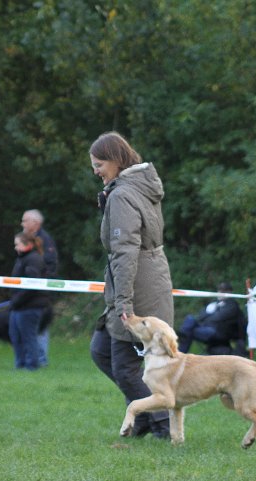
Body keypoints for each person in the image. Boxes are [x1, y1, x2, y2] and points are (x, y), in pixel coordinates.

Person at [88, 131, 172, 439]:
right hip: (148, 277)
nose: (96, 172)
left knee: (125, 367)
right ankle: (145, 417)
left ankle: (162, 423)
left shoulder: (123, 194)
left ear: (116, 160)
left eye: (99, 165)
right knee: (101, 351)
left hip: (138, 287)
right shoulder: (134, 188)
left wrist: (124, 303)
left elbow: (125, 252)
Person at [9, 232, 51, 370]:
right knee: (16, 336)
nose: (15, 247)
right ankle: (20, 364)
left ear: (27, 244)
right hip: (19, 306)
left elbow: (31, 285)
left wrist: (17, 300)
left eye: (17, 244)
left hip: (31, 306)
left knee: (28, 337)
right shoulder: (21, 259)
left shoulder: (33, 259)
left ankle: (32, 365)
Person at [21, 209, 58, 367]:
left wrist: (40, 285)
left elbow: (51, 266)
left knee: (40, 325)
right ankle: (31, 357)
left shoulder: (45, 241)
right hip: (29, 291)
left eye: (25, 221)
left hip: (41, 293)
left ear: (35, 223)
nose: (22, 224)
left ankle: (41, 360)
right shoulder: (25, 239)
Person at [176, 282, 244, 354]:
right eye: (219, 290)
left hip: (218, 332)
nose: (220, 292)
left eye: (223, 291)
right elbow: (200, 316)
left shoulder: (232, 305)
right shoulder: (215, 302)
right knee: (190, 318)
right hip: (207, 328)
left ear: (230, 292)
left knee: (188, 332)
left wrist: (209, 314)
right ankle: (182, 335)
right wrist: (209, 313)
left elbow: (217, 318)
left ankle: (180, 351)